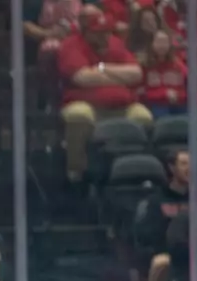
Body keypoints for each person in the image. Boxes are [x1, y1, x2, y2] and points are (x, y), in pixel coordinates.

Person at [57, 6, 151, 182]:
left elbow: (136, 73)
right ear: (86, 31)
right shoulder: (70, 45)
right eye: (98, 33)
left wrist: (102, 68)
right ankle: (76, 173)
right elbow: (82, 78)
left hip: (123, 104)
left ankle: (135, 171)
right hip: (84, 103)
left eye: (106, 31)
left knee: (143, 116)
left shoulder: (115, 43)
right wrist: (121, 78)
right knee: (79, 115)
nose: (104, 36)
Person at [137, 149, 191, 281]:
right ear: (171, 168)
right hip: (169, 256)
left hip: (196, 254)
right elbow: (148, 235)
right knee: (161, 263)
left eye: (191, 164)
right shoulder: (157, 200)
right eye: (184, 164)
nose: (189, 168)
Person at [137, 28, 186, 117]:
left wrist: (177, 95)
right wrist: (164, 94)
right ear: (151, 44)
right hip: (155, 105)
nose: (162, 45)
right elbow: (141, 93)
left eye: (165, 42)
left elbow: (187, 88)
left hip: (178, 103)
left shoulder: (178, 65)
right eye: (159, 42)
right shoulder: (144, 66)